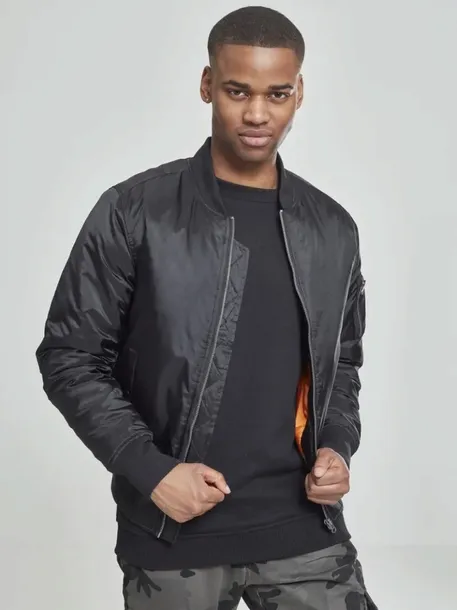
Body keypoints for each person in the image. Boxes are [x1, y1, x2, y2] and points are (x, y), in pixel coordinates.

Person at [36, 6, 377, 609]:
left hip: (304, 529)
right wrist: (152, 471)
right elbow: (70, 357)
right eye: (237, 91)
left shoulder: (331, 229)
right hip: (174, 536)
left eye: (277, 94)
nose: (257, 114)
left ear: (299, 93)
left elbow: (342, 364)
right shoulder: (135, 212)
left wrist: (336, 444)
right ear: (206, 85)